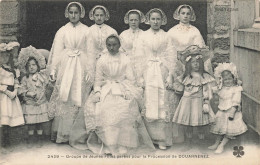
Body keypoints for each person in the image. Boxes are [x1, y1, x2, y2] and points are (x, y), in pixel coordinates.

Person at [84, 34, 155, 155]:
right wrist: (97, 92)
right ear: (106, 46)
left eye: (114, 45)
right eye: (109, 45)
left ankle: (123, 144)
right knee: (103, 109)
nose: (111, 48)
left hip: (122, 87)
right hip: (106, 89)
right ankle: (109, 144)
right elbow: (98, 79)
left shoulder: (125, 59)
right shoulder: (102, 59)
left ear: (119, 45)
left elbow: (130, 78)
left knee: (125, 109)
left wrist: (127, 91)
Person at [47, 2, 95, 144]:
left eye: (76, 12)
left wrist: (90, 70)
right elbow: (57, 51)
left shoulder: (87, 30)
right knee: (65, 96)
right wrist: (54, 69)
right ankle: (64, 133)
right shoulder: (62, 30)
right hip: (66, 64)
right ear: (67, 14)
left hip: (81, 64)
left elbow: (91, 52)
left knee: (80, 95)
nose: (73, 15)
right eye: (71, 13)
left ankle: (79, 134)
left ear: (80, 14)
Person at [168, 4, 213, 143]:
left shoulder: (195, 31)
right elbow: (169, 50)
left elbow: (199, 49)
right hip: (177, 65)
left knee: (196, 99)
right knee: (182, 99)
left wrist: (199, 66)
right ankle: (181, 131)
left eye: (188, 13)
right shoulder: (172, 31)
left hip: (192, 66)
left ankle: (198, 128)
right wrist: (173, 68)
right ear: (178, 15)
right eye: (183, 13)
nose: (185, 16)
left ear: (191, 15)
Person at [136, 8, 177, 150]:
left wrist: (170, 74)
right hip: (147, 70)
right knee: (149, 100)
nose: (155, 21)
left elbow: (171, 56)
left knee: (162, 101)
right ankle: (149, 137)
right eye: (153, 19)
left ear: (162, 20)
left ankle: (162, 139)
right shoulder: (142, 36)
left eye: (158, 19)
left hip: (161, 70)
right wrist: (140, 76)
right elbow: (138, 56)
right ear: (149, 20)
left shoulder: (166, 36)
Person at [172, 45, 215, 151]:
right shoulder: (186, 76)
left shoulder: (204, 76)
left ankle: (200, 142)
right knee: (188, 123)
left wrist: (206, 101)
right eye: (193, 62)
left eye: (197, 62)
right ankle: (188, 142)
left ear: (201, 64)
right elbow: (179, 88)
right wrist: (175, 84)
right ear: (188, 64)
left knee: (200, 123)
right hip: (187, 102)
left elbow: (207, 89)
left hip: (199, 101)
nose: (195, 64)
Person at [208, 63, 247, 154]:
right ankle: (217, 143)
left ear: (234, 78)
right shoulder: (222, 88)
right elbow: (214, 91)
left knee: (229, 130)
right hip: (222, 111)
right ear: (222, 80)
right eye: (225, 80)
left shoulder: (236, 89)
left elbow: (236, 101)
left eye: (230, 79)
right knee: (220, 128)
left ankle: (222, 145)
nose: (228, 81)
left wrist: (233, 111)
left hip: (231, 112)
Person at [18, 46, 50, 148]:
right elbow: (20, 89)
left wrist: (51, 80)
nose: (31, 67)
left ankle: (39, 138)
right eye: (29, 65)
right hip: (30, 104)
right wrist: (28, 93)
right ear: (26, 67)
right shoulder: (25, 78)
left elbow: (48, 85)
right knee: (31, 123)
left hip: (40, 102)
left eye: (34, 65)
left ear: (38, 66)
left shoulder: (42, 76)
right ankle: (31, 138)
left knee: (40, 122)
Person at [0, 42, 25, 153]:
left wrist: (15, 90)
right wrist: (6, 91)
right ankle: (2, 143)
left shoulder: (12, 69)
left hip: (12, 96)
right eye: (2, 56)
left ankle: (7, 141)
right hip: (3, 97)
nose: (4, 58)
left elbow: (15, 81)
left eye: (6, 56)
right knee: (3, 118)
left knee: (10, 118)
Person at [119, 9, 145, 81]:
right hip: (126, 63)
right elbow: (120, 49)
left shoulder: (144, 34)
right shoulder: (123, 34)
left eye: (136, 20)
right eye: (131, 20)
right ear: (128, 21)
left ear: (139, 20)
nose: (133, 22)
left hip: (141, 64)